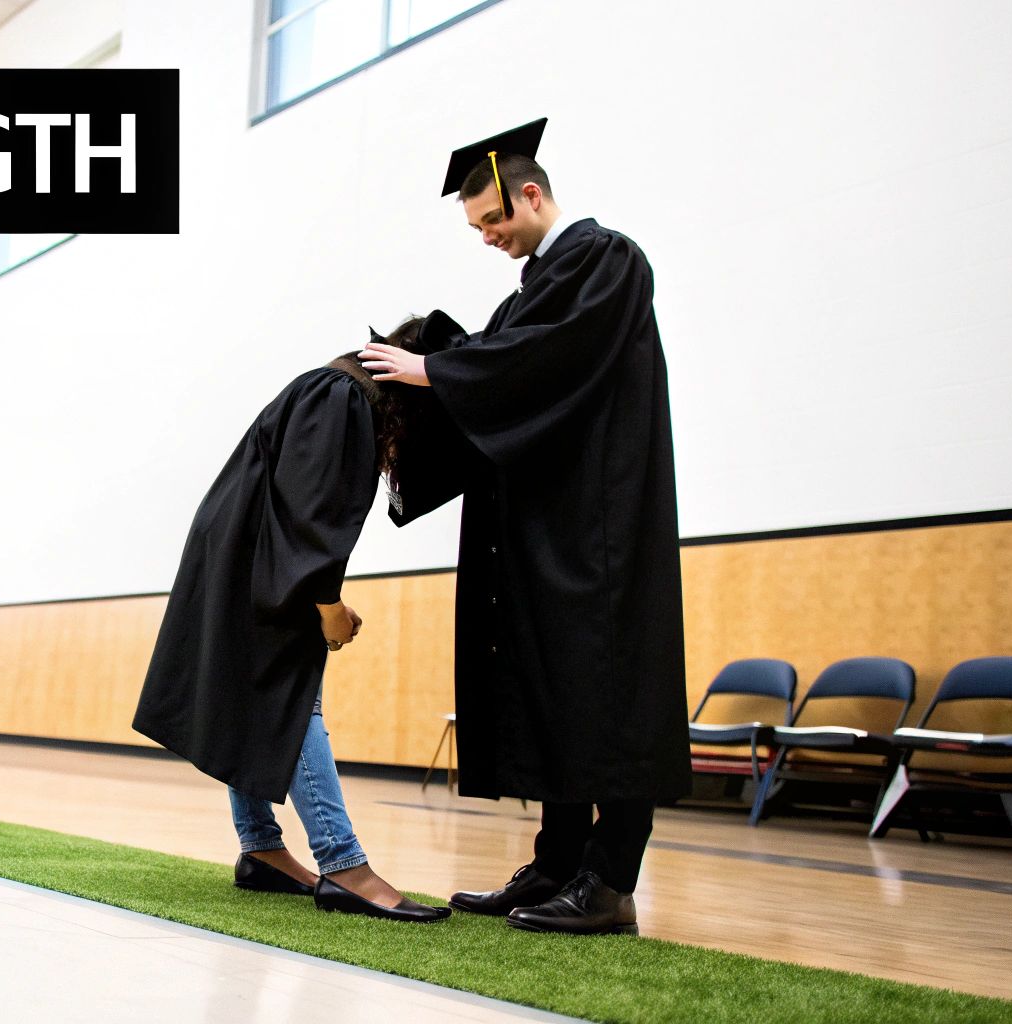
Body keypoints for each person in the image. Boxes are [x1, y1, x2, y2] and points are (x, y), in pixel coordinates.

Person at [358, 119, 688, 936]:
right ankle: (555, 866)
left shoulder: (609, 258)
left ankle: (609, 883)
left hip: (601, 531)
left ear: (530, 194)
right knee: (555, 693)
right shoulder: (534, 284)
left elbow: (547, 358)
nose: (489, 239)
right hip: (548, 527)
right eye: (479, 230)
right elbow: (506, 359)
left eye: (492, 222)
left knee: (605, 693)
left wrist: (437, 369)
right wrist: (431, 356)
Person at [134, 323, 450, 924]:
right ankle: (344, 865)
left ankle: (261, 851)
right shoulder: (342, 396)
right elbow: (309, 516)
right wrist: (327, 604)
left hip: (243, 554)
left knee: (253, 696)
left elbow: (302, 508)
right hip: (258, 560)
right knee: (289, 697)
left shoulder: (333, 392)